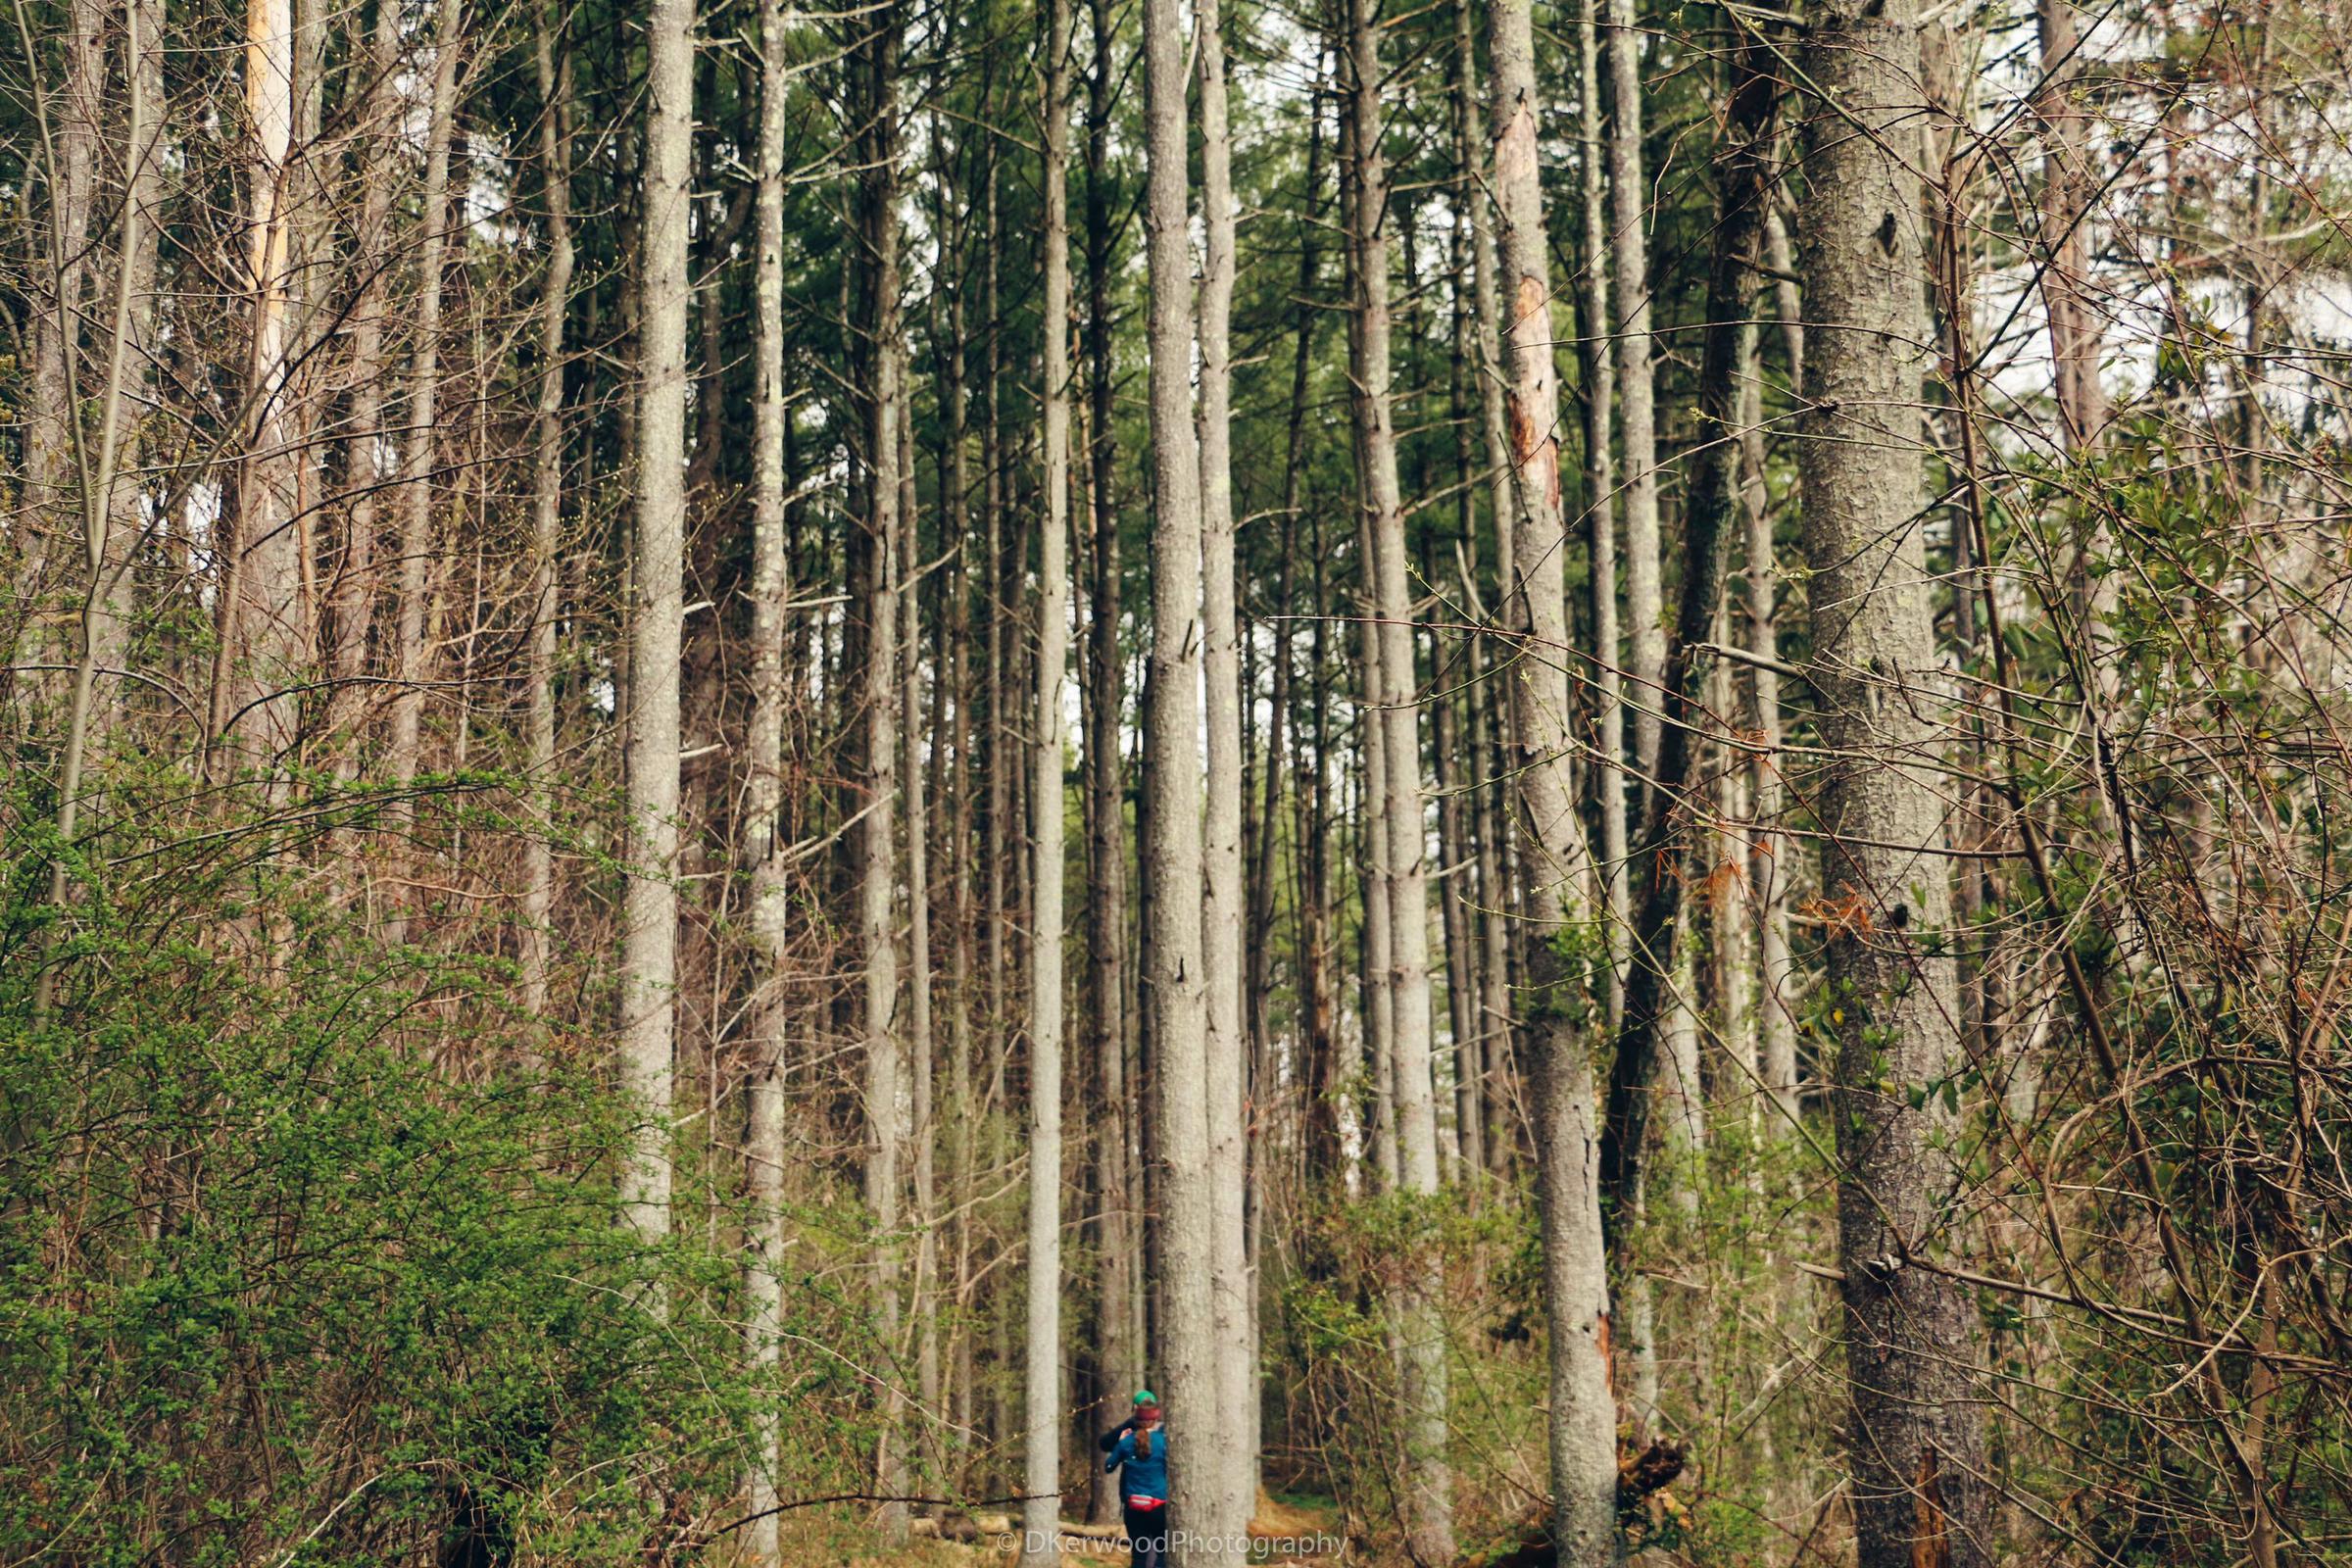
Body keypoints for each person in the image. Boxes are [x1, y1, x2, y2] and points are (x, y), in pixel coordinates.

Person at [1102, 1390, 1169, 1568]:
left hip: (1133, 1507)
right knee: (1162, 1552)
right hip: (1159, 1507)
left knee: (1139, 1556)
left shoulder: (1126, 1442)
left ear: (1136, 1418)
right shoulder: (1164, 1442)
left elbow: (1108, 1467)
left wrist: (1120, 1444)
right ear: (1155, 1419)